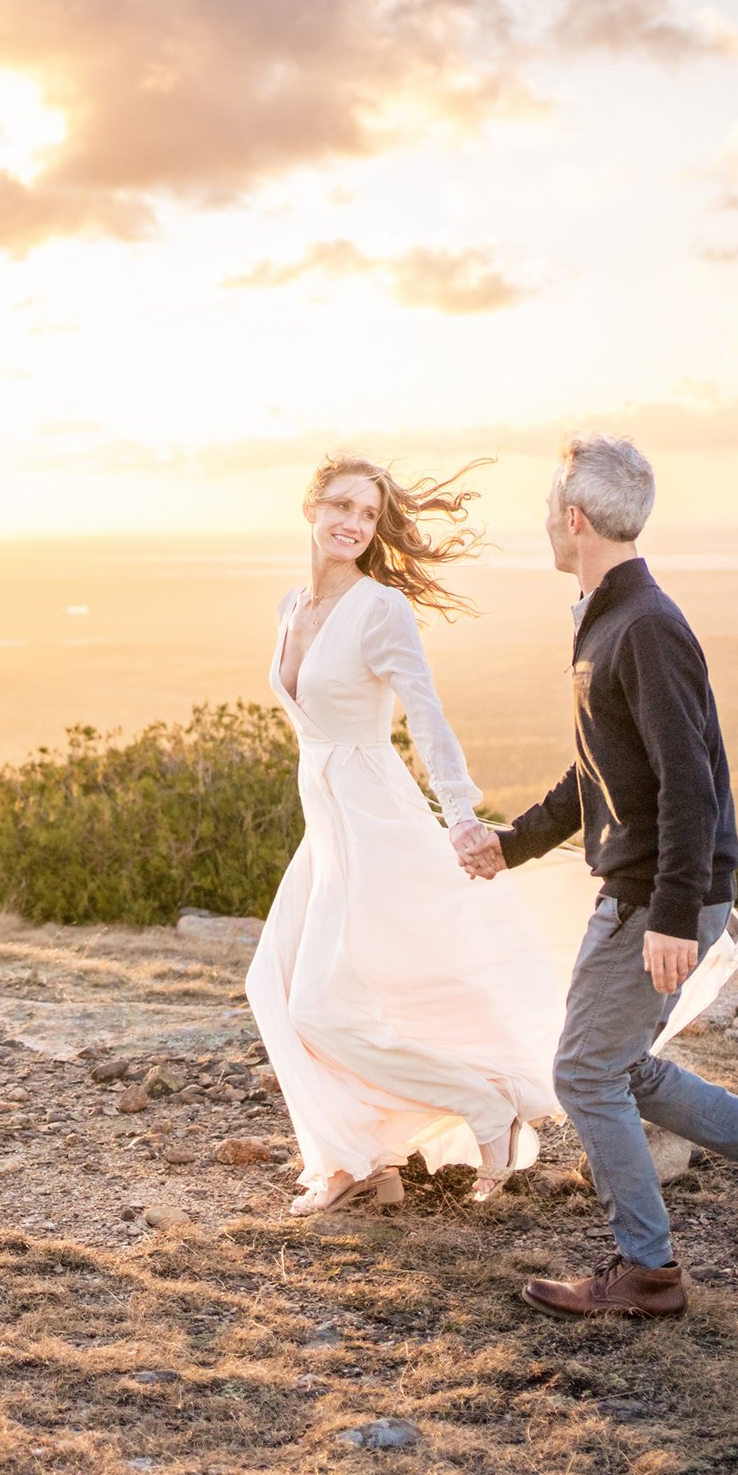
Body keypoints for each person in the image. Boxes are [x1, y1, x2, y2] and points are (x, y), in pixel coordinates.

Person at [460, 433, 738, 1318]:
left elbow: (687, 782)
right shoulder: (608, 616)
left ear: (573, 518)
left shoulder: (643, 625)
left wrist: (673, 915)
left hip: (657, 892)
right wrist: (514, 843)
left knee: (583, 1073)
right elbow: (604, 771)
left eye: (548, 507)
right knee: (619, 1066)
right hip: (646, 885)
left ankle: (647, 1270)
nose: (545, 521)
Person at [245, 454, 565, 1217]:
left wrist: (459, 812)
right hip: (325, 822)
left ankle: (485, 1106)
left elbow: (425, 712)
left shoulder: (378, 609)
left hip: (373, 820)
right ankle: (355, 1155)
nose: (354, 523)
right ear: (310, 506)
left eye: (369, 514)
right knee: (277, 982)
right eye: (343, 506)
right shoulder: (293, 605)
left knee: (321, 1005)